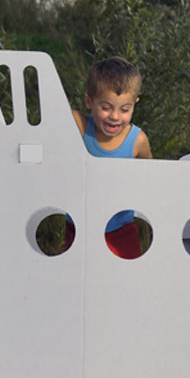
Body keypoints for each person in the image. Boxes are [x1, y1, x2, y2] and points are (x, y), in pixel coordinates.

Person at [71, 56, 152, 258]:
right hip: (79, 226)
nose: (115, 116)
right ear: (89, 101)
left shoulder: (137, 141)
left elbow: (151, 176)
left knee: (124, 282)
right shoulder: (80, 127)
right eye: (106, 107)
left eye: (125, 109)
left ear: (134, 104)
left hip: (120, 229)